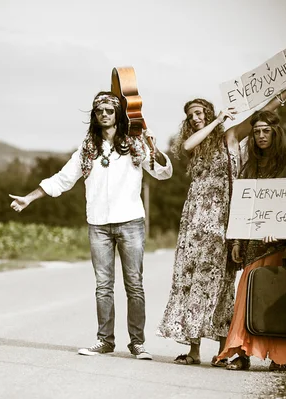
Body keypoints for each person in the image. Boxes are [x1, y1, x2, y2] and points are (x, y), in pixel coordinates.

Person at [156, 74, 286, 367]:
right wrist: (215, 120)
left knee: (219, 284)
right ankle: (193, 350)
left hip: (222, 219)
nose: (196, 118)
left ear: (210, 113)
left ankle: (226, 349)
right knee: (190, 283)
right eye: (191, 116)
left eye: (200, 113)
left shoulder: (229, 137)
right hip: (194, 220)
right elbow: (187, 146)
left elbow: (265, 112)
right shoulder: (196, 143)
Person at [9, 91, 173, 360]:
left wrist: (152, 147)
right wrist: (29, 198)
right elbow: (62, 179)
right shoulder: (87, 149)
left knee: (134, 284)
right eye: (100, 112)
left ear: (117, 114)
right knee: (103, 286)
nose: (104, 115)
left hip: (130, 222)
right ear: (95, 117)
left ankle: (137, 343)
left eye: (109, 111)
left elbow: (162, 173)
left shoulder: (134, 144)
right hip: (98, 224)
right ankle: (105, 340)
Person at [215, 110, 286, 371]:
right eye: (256, 131)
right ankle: (242, 353)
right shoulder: (250, 166)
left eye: (265, 130)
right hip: (252, 243)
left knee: (277, 299)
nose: (260, 135)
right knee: (246, 296)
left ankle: (280, 357)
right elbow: (241, 206)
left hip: (280, 244)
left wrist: (282, 231)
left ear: (275, 132)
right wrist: (235, 241)